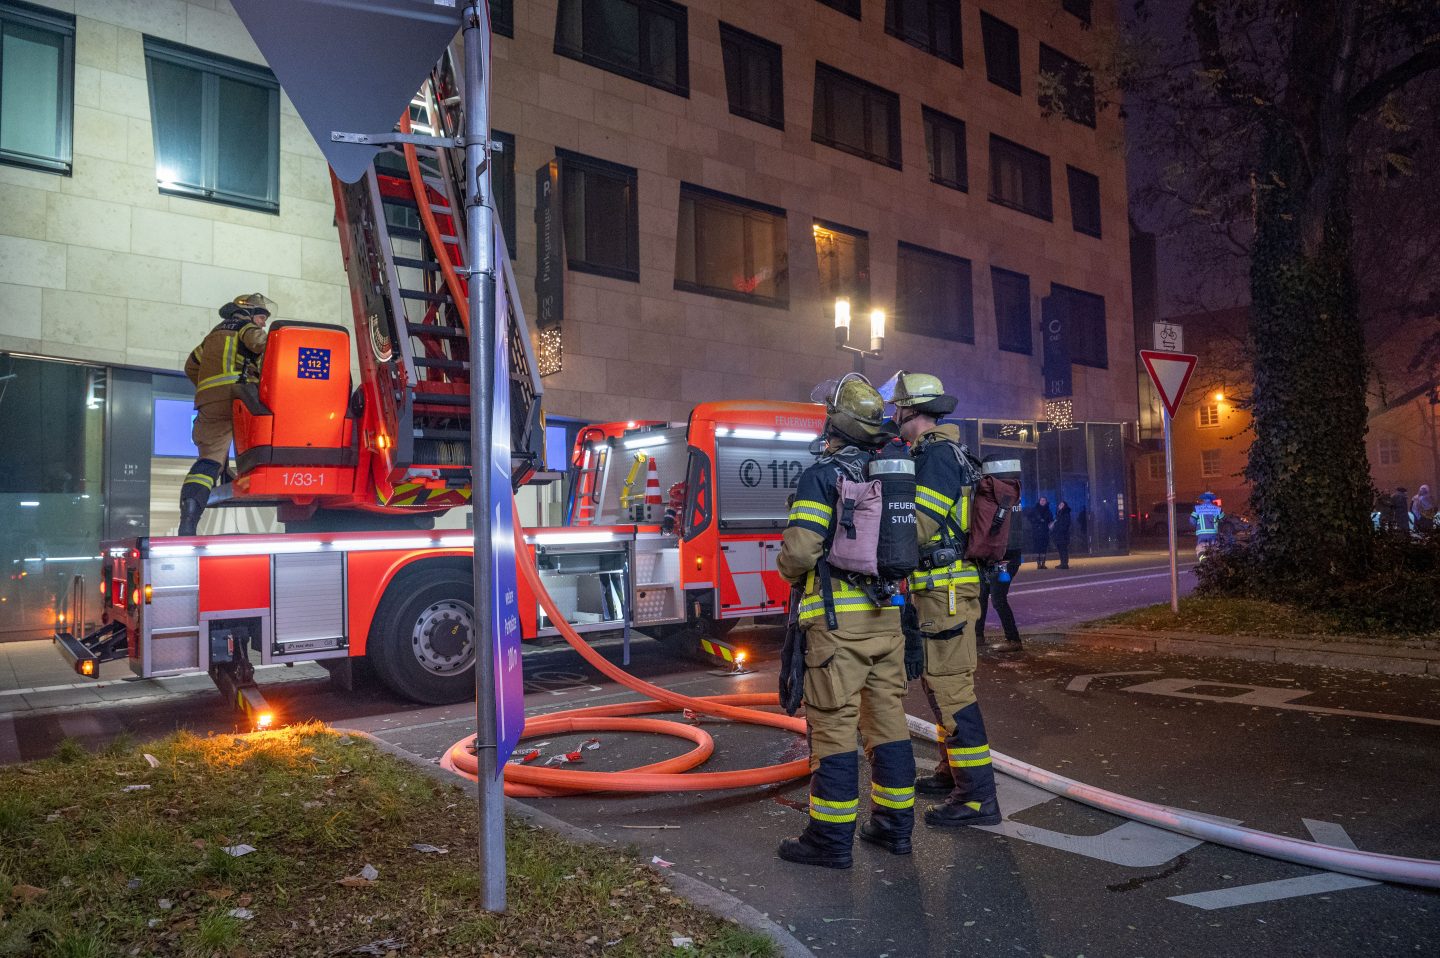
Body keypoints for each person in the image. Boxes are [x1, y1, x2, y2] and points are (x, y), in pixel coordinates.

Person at [775, 374, 915, 868]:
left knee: (834, 731)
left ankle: (830, 842)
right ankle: (895, 829)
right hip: (888, 622)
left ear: (834, 421)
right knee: (889, 725)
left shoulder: (823, 474)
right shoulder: (892, 473)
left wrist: (787, 565)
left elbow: (800, 553)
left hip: (838, 630)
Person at [880, 371, 1001, 828]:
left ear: (910, 410)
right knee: (937, 680)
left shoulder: (936, 458)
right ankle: (954, 772)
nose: (893, 415)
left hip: (946, 591)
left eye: (897, 408)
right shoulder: (945, 453)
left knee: (952, 688)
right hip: (943, 588)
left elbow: (920, 527)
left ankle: (976, 799)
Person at [179, 293, 275, 536]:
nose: (262, 323)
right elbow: (266, 347)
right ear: (249, 313)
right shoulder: (246, 328)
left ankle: (189, 520)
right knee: (262, 440)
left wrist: (209, 388)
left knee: (209, 461)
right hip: (240, 398)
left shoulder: (212, 336)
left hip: (208, 402)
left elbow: (191, 366)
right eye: (261, 317)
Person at [977, 456, 1025, 654]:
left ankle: (1014, 640)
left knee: (997, 598)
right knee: (981, 595)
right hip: (1005, 554)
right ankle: (978, 636)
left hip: (1002, 555)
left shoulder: (1001, 498)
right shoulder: (1014, 495)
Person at [1189, 491, 1224, 558]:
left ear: (1203, 499)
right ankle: (1213, 562)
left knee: (1201, 549)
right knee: (1214, 549)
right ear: (1212, 499)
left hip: (1202, 534)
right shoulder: (1218, 509)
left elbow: (1192, 521)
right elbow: (1222, 520)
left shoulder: (1197, 509)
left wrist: (1197, 525)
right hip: (1213, 533)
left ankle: (1203, 561)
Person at [1028, 497, 1053, 569]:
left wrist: (1049, 524)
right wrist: (1036, 521)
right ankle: (1038, 564)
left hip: (1045, 531)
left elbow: (1051, 520)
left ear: (1046, 501)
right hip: (1036, 531)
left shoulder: (1048, 510)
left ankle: (1043, 563)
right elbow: (1029, 518)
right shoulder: (1035, 509)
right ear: (1039, 501)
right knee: (1037, 547)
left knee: (1044, 547)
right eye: (1041, 500)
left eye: (1044, 500)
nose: (1042, 501)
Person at [1052, 500, 1073, 569]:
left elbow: (1066, 524)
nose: (1060, 506)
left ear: (1064, 506)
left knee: (1063, 549)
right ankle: (1062, 563)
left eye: (1062, 505)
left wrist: (1060, 529)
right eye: (1060, 504)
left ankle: (1065, 563)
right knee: (1060, 549)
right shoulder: (1058, 513)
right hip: (1059, 534)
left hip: (1063, 535)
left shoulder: (1065, 513)